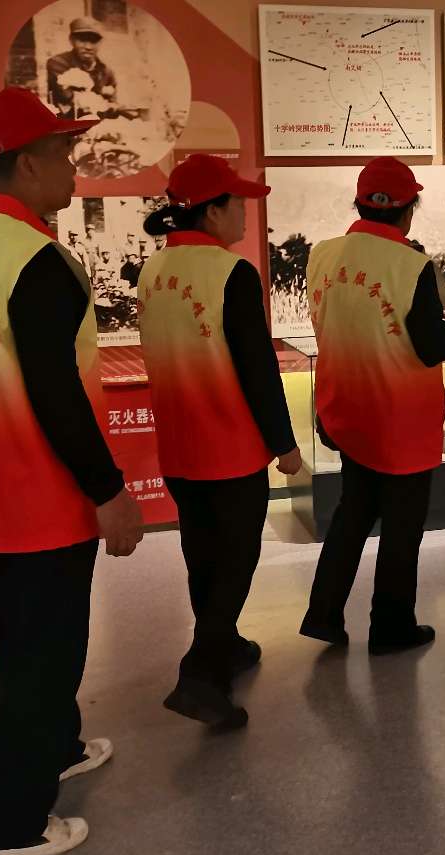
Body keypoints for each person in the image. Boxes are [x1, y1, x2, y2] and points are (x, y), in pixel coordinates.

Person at [0, 87, 145, 855]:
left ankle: (59, 747)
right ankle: (1, 828)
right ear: (25, 164)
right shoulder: (37, 261)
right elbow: (56, 394)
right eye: (64, 155)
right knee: (40, 659)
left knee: (20, 643)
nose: (74, 169)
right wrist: (108, 490)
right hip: (37, 497)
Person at [137, 155, 301, 729]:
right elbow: (258, 369)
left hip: (178, 446)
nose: (246, 214)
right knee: (235, 560)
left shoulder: (153, 270)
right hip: (229, 448)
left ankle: (224, 644)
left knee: (202, 555)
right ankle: (200, 677)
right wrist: (284, 444)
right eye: (239, 204)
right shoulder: (231, 273)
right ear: (212, 211)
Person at [298, 158, 445, 654]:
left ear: (360, 203)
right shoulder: (412, 266)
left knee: (353, 511)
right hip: (401, 419)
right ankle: (391, 627)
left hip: (345, 408)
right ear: (408, 209)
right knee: (402, 525)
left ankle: (323, 613)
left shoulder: (322, 255)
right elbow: (431, 346)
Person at [46, 17, 118, 116]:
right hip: (65, 123)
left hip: (98, 124)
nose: (88, 47)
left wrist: (115, 107)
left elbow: (112, 106)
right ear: (71, 40)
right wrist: (106, 103)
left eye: (93, 41)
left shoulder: (106, 71)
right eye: (82, 40)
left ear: (100, 43)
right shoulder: (58, 63)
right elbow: (68, 97)